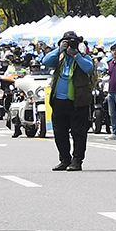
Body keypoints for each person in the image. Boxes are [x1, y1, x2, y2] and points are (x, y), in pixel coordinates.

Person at [41, 31, 95, 171]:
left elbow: (88, 68)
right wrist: (59, 50)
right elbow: (45, 62)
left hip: (78, 102)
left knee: (78, 132)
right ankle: (65, 159)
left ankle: (77, 160)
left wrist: (75, 54)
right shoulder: (59, 58)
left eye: (72, 42)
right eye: (67, 42)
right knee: (59, 132)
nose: (69, 45)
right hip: (59, 101)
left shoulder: (83, 57)